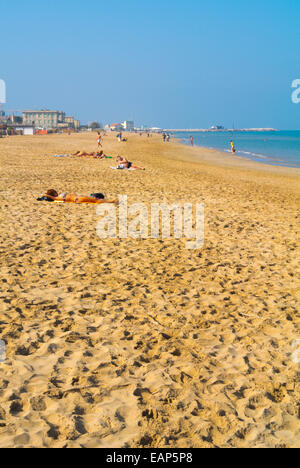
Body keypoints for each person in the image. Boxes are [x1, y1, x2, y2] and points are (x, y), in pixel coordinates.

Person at [40, 189, 118, 204]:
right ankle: (111, 201)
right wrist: (46, 195)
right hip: (77, 198)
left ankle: (110, 201)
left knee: (94, 199)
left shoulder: (59, 196)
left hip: (78, 198)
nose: (56, 192)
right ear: (53, 193)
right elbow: (53, 198)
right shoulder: (57, 198)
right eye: (55, 191)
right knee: (95, 200)